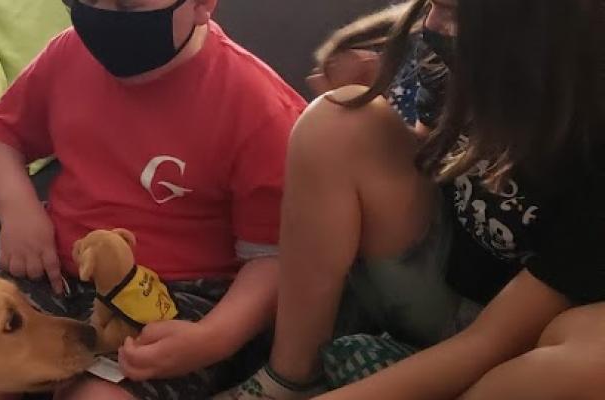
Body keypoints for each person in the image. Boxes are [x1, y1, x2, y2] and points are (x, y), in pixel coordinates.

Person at [222, 0, 605, 398]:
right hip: (440, 282)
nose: (431, 24)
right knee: (337, 120)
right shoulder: (455, 54)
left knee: (586, 364)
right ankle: (290, 378)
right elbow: (435, 163)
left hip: (516, 340)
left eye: (453, 14)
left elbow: (492, 341)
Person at [0, 0, 305, 398]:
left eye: (128, 5)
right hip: (54, 272)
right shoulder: (68, 54)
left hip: (176, 297)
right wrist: (19, 213)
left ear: (201, 5)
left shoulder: (258, 107)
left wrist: (213, 339)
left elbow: (275, 258)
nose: (101, 15)